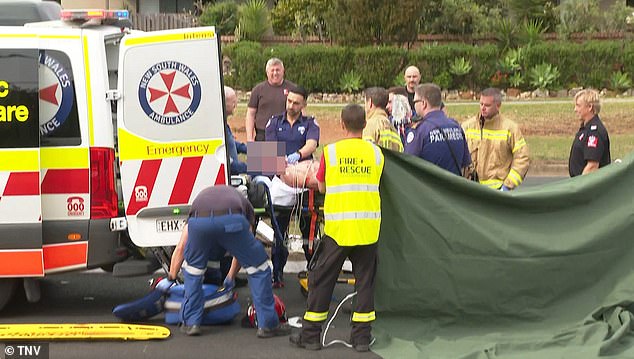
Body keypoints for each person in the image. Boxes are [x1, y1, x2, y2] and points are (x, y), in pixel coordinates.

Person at [289, 104, 384, 352]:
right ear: (365, 125)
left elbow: (320, 187)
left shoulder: (331, 153)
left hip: (339, 229)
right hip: (367, 229)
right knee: (365, 283)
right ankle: (362, 338)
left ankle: (310, 336)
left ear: (342, 125)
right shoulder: (376, 154)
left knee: (322, 280)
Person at [168, 185, 291, 338]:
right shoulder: (246, 207)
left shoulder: (198, 207)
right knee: (259, 268)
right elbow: (243, 252)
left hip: (200, 222)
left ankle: (191, 323)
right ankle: (268, 325)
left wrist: (171, 278)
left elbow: (180, 248)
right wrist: (230, 277)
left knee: (193, 271)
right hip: (231, 220)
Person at [265, 85, 320, 288]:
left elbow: (312, 144)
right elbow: (268, 151)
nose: (291, 105)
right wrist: (282, 169)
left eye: (296, 103)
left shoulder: (310, 123)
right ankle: (277, 274)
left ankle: (314, 273)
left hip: (305, 185)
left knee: (309, 232)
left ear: (303, 104)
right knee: (279, 232)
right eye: (289, 101)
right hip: (281, 182)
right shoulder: (274, 122)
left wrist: (298, 154)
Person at [461, 87, 530, 190]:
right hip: (471, 190)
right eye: (481, 104)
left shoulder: (510, 128)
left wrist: (507, 186)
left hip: (497, 192)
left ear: (498, 106)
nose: (483, 108)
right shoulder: (467, 127)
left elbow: (522, 158)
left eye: (487, 105)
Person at [404, 83, 471, 176]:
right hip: (453, 187)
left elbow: (407, 166)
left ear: (423, 103)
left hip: (428, 188)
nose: (414, 105)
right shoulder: (456, 126)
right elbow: (465, 165)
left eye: (415, 102)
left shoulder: (419, 131)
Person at [246, 58, 296, 142]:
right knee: (262, 155)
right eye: (272, 70)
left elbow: (301, 111)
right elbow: (250, 114)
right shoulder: (258, 89)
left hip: (287, 134)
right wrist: (249, 138)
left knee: (285, 155)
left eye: (278, 70)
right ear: (267, 72)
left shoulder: (293, 89)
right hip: (263, 135)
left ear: (283, 71)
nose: (275, 73)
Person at [568, 89, 611, 177]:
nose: (575, 109)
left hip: (587, 187)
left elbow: (592, 166)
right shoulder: (585, 129)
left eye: (578, 106)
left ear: (590, 107)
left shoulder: (594, 132)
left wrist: (579, 187)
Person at [362, 87, 403, 152]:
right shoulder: (393, 129)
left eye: (365, 103)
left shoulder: (369, 125)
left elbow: (365, 152)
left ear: (370, 103)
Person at [224, 86, 247, 175]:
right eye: (233, 101)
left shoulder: (223, 125)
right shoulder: (220, 129)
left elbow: (232, 145)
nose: (236, 104)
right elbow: (231, 165)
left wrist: (267, 151)